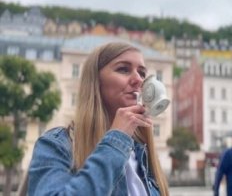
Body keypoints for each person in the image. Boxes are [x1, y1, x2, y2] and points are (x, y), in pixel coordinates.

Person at [27, 42, 169, 195]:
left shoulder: (142, 151)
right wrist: (117, 138)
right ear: (96, 81)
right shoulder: (57, 145)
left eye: (142, 73)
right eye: (123, 69)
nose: (139, 80)